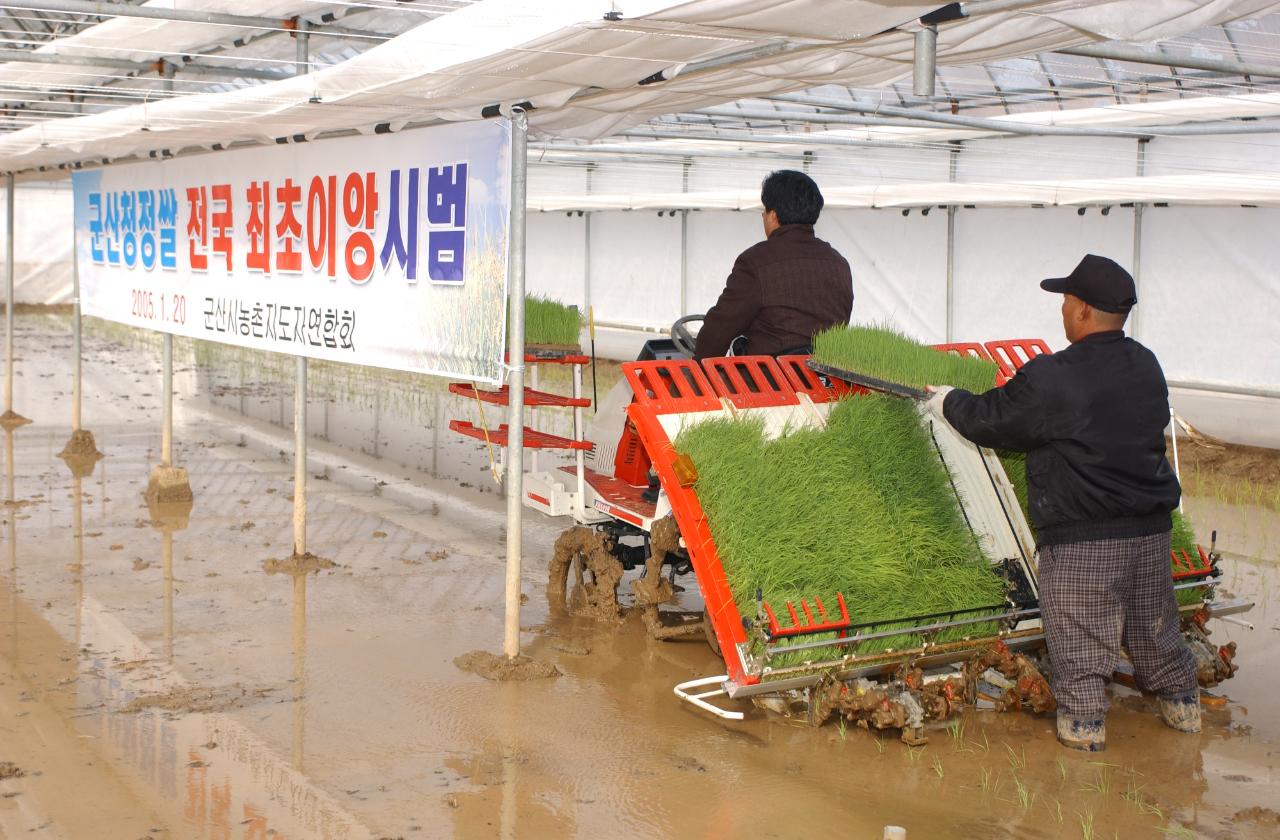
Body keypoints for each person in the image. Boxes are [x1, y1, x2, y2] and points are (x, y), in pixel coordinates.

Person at [925, 254, 1199, 752]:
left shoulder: (1054, 375)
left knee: (1081, 648)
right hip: (1150, 531)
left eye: (1067, 303)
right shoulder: (1146, 363)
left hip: (1083, 540)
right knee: (1156, 633)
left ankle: (1083, 748)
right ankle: (1185, 716)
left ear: (1085, 312)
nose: (1062, 312)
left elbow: (994, 419)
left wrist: (947, 400)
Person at [693, 170, 853, 359]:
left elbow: (720, 329)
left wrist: (696, 369)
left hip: (767, 382)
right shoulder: (839, 264)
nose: (763, 216)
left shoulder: (756, 262)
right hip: (827, 381)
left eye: (764, 210)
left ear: (773, 215)